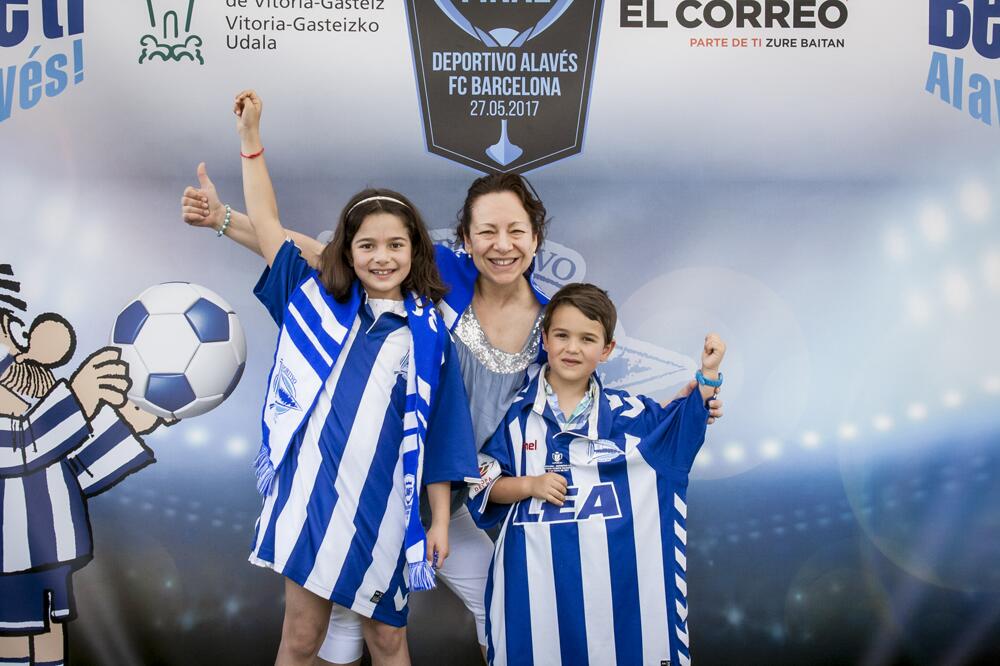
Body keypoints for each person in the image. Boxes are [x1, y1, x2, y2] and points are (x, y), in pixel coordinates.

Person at [182, 166, 724, 666]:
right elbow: (326, 256)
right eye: (487, 231)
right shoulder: (436, 276)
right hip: (373, 482)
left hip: (454, 492)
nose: (502, 245)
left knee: (506, 604)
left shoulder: (552, 322)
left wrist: (686, 405)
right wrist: (225, 220)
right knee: (335, 634)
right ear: (465, 238)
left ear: (536, 238)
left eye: (516, 231)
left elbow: (579, 385)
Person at [231, 90, 479, 666]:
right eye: (367, 245)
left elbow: (441, 438)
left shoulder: (429, 334)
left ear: (415, 251)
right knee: (301, 638)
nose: (381, 257)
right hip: (310, 496)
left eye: (395, 245)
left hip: (384, 508)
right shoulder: (315, 301)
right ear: (348, 250)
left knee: (388, 640)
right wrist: (250, 141)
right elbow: (267, 223)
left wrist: (440, 522)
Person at [468, 283, 726, 666]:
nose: (572, 348)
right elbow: (483, 485)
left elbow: (678, 433)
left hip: (614, 599)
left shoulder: (630, 414)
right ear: (545, 339)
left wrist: (707, 380)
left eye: (587, 339)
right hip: (533, 590)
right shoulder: (511, 415)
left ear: (606, 349)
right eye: (562, 336)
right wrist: (528, 485)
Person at [0, 266, 169, 666]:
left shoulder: (30, 399)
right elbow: (21, 447)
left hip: (43, 558)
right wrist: (79, 398)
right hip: (6, 562)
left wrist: (130, 421)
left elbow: (69, 466)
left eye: (9, 332)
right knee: (12, 645)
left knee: (47, 643)